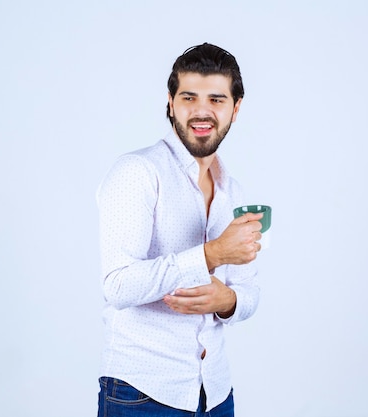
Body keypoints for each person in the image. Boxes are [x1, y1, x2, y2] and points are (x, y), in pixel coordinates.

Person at [96, 42, 263, 417]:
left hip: (216, 393)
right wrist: (212, 254)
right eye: (189, 97)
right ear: (171, 102)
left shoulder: (233, 191)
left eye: (217, 100)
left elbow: (249, 289)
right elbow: (118, 285)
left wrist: (228, 303)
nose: (202, 111)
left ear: (235, 109)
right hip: (142, 394)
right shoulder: (137, 173)